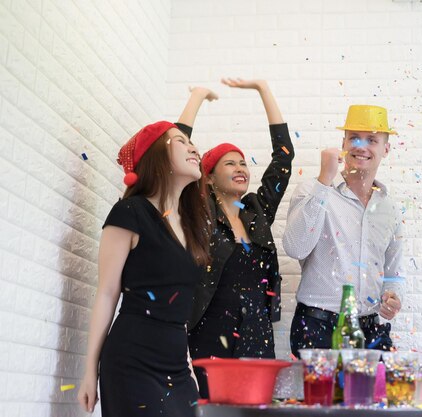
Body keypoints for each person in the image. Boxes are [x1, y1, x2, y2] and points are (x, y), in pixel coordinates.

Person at [76, 107, 215, 416]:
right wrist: (90, 372)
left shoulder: (191, 227)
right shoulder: (130, 212)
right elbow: (108, 293)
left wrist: (189, 368)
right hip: (132, 361)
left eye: (192, 143)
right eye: (181, 141)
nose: (194, 148)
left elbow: (178, 308)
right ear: (157, 156)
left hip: (177, 366)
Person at [185, 79, 293, 396]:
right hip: (208, 329)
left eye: (243, 162)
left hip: (256, 333)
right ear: (207, 174)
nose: (241, 167)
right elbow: (172, 154)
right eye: (229, 162)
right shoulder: (197, 213)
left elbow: (284, 157)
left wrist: (264, 89)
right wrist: (196, 98)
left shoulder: (257, 211)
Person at [283, 105, 404, 357]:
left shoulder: (390, 208)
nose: (361, 146)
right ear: (343, 143)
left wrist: (392, 296)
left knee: (375, 398)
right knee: (318, 398)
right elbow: (295, 247)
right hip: (317, 328)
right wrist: (323, 182)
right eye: (354, 138)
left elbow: (392, 273)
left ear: (386, 149)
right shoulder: (311, 190)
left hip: (370, 330)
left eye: (372, 140)